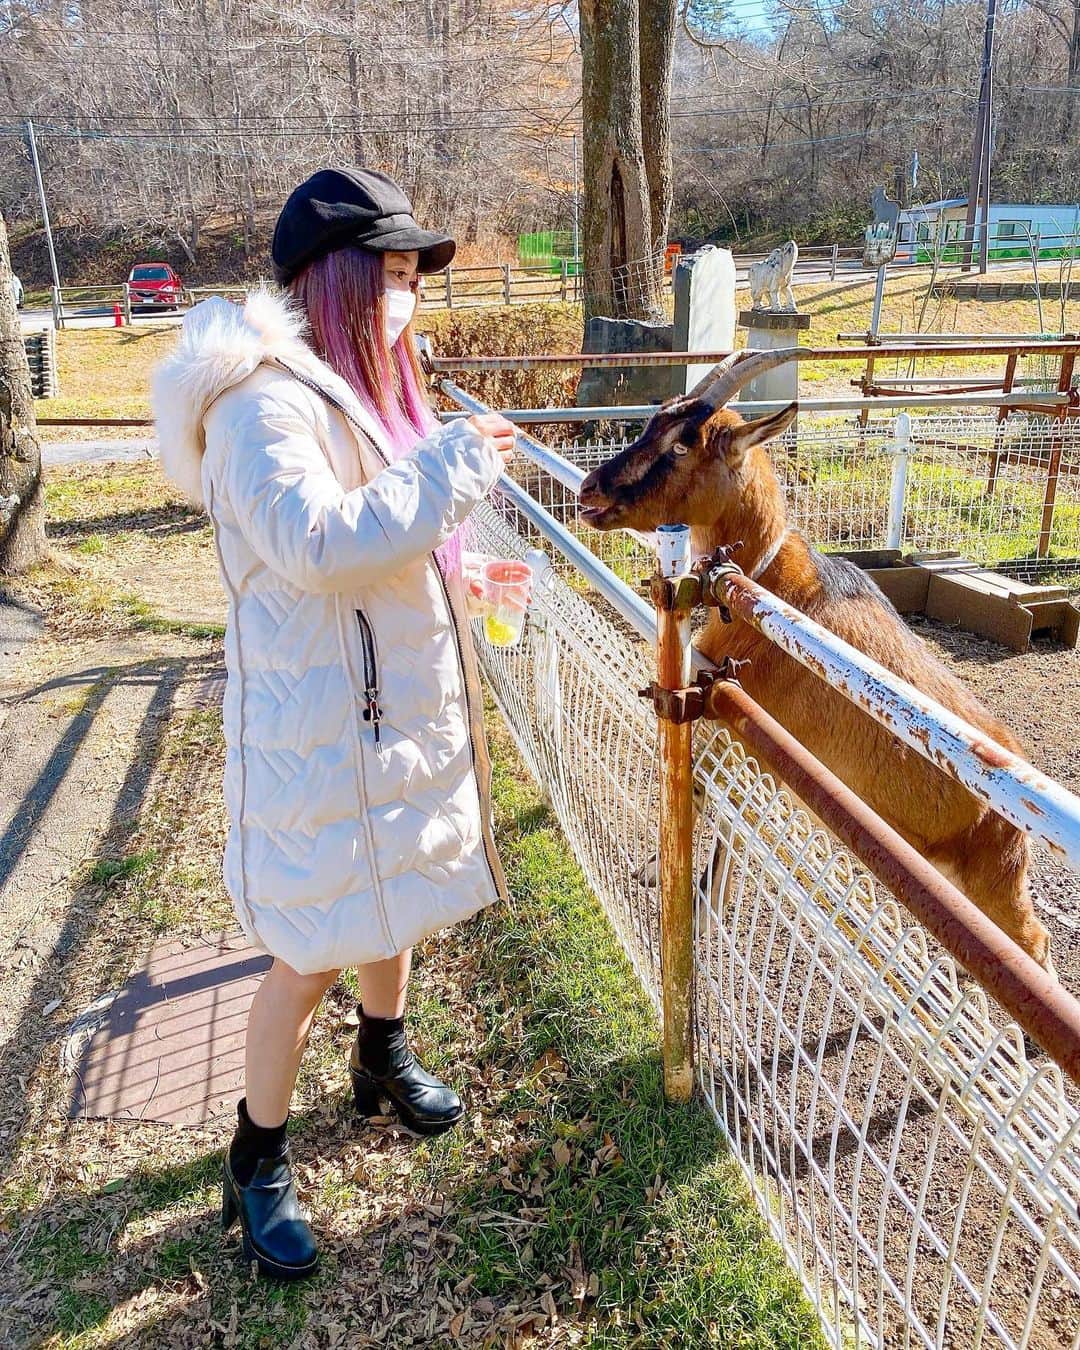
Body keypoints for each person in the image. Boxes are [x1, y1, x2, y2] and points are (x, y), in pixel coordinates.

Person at [151, 167, 520, 1280]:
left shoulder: (350, 386)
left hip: (379, 708)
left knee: (391, 893)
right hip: (317, 724)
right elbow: (319, 544)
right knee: (308, 951)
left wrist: (469, 564)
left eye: (416, 277)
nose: (407, 298)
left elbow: (390, 536)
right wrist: (457, 466)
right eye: (396, 274)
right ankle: (257, 1158)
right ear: (342, 279)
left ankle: (382, 1058)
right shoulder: (263, 403)